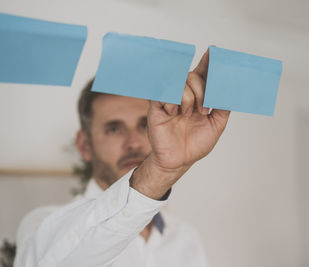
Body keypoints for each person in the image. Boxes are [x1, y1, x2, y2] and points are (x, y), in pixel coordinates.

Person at [14, 50, 230, 266]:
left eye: (144, 125)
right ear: (84, 145)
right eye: (114, 129)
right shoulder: (42, 226)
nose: (133, 142)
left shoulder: (186, 239)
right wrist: (160, 172)